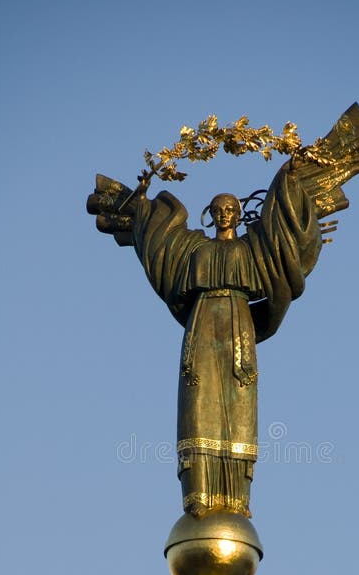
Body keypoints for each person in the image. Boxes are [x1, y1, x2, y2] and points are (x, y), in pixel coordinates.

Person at [119, 162, 323, 518]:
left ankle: (236, 498)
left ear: (239, 213)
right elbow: (158, 243)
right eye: (218, 209)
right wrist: (140, 204)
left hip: (238, 330)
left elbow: (282, 239)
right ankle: (198, 494)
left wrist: (290, 180)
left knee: (239, 412)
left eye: (230, 209)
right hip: (201, 328)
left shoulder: (251, 249)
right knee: (198, 409)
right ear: (210, 214)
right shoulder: (195, 249)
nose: (224, 214)